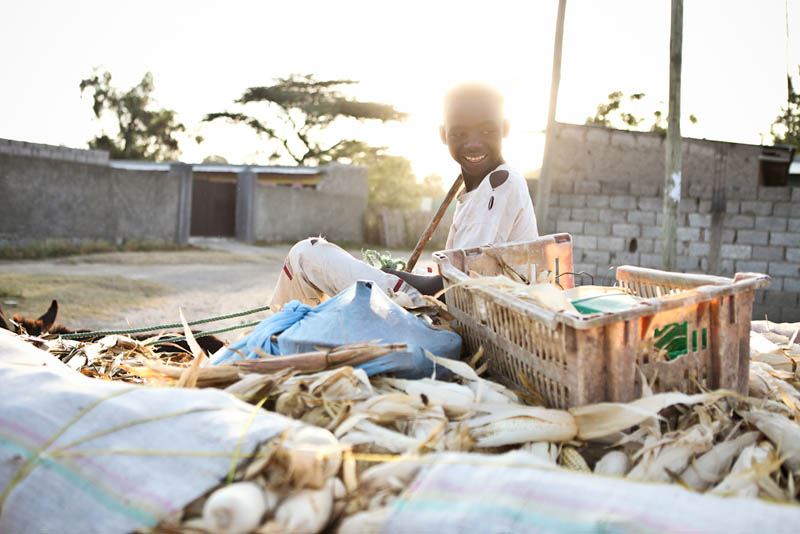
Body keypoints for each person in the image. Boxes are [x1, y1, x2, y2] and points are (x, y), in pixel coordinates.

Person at [269, 82, 538, 311]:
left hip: (445, 320)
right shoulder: (478, 190)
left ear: (506, 128)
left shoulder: (499, 183)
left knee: (307, 254)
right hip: (447, 312)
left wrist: (393, 275)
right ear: (444, 135)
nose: (474, 143)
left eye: (487, 131)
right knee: (316, 259)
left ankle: (278, 333)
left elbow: (457, 286)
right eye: (460, 134)